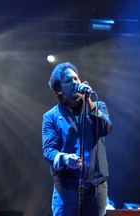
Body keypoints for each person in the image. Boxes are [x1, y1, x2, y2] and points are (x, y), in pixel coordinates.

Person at [42, 62, 113, 216]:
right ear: (59, 89)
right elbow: (48, 150)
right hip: (67, 188)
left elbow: (105, 129)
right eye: (69, 80)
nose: (75, 82)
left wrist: (88, 101)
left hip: (96, 186)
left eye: (76, 78)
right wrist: (64, 158)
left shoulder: (98, 106)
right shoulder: (51, 116)